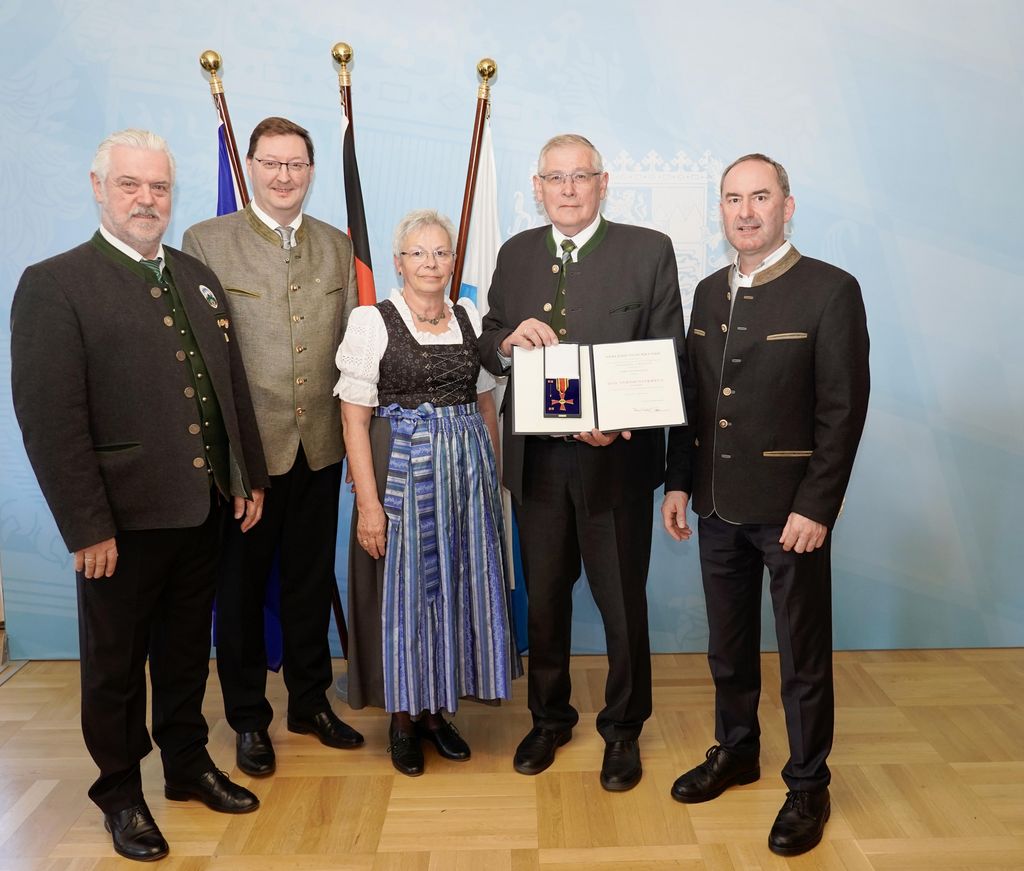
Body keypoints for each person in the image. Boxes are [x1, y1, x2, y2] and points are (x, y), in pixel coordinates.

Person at [10, 129, 269, 862]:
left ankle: (186, 765)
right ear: (99, 187)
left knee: (187, 653)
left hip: (203, 507)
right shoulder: (54, 284)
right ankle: (121, 792)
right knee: (117, 666)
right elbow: (51, 422)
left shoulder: (196, 275)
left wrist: (244, 473)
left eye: (157, 186)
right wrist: (86, 525)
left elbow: (229, 387)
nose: (145, 199)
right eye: (130, 185)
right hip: (119, 523)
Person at [662, 153, 870, 856]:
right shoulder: (707, 294)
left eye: (759, 196)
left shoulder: (831, 290)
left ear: (788, 204)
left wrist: (818, 505)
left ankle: (809, 783)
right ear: (720, 211)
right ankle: (738, 748)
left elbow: (842, 412)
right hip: (717, 504)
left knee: (803, 657)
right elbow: (695, 403)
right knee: (728, 647)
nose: (745, 211)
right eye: (732, 199)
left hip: (792, 517)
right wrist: (680, 481)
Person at [478, 134, 686, 792]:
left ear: (603, 183)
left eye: (581, 177)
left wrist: (621, 420)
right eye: (555, 178)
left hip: (616, 463)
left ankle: (622, 729)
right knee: (542, 599)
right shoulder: (514, 255)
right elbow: (487, 337)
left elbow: (668, 354)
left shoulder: (647, 250)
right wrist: (506, 340)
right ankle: (549, 716)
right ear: (537, 187)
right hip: (538, 463)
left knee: (622, 600)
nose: (568, 189)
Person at [182, 116, 363, 778]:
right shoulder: (207, 240)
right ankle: (249, 719)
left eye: (296, 164)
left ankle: (310, 702)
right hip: (247, 461)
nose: (284, 175)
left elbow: (352, 354)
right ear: (250, 167)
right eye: (272, 163)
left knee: (311, 584)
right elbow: (201, 362)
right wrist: (231, 466)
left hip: (320, 448)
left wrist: (355, 447)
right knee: (240, 590)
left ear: (311, 171)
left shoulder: (336, 246)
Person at [334, 209, 521, 776]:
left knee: (457, 587)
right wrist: (369, 506)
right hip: (402, 477)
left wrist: (489, 481)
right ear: (399, 262)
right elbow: (353, 420)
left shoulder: (467, 316)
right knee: (407, 596)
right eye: (418, 253)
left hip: (465, 478)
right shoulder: (373, 321)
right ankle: (402, 721)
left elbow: (485, 402)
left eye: (440, 253)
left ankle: (438, 712)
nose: (431, 263)